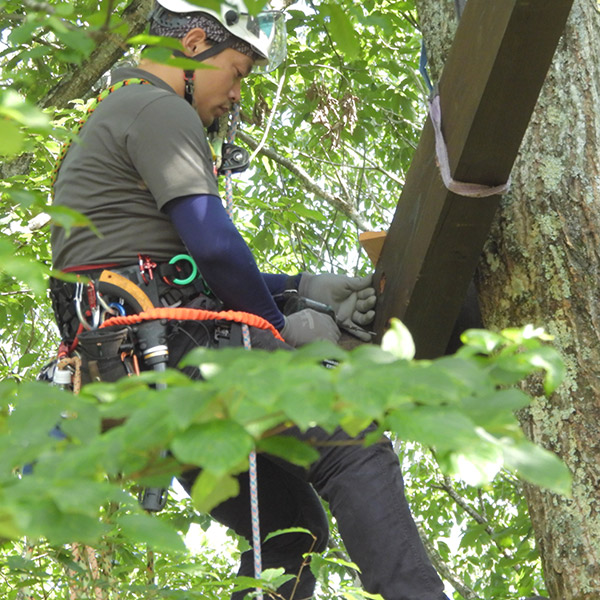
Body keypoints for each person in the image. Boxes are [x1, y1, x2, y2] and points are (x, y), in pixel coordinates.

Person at [49, 1, 450, 599]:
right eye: (238, 71)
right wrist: (279, 331)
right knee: (351, 444)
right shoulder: (158, 108)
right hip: (168, 349)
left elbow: (179, 268)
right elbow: (213, 246)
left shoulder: (118, 114)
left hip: (140, 369)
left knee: (291, 529)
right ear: (191, 45)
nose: (239, 93)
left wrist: (300, 289)